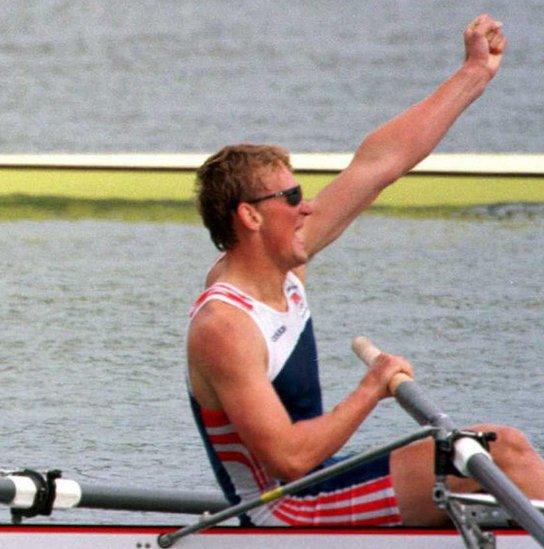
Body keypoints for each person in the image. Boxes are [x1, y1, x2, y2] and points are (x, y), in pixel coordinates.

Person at [187, 14, 544, 526]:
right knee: (501, 453)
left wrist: (474, 75)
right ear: (250, 216)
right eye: (291, 197)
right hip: (285, 511)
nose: (307, 206)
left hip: (322, 479)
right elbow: (287, 459)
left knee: (503, 450)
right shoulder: (223, 325)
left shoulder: (286, 270)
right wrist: (372, 387)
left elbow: (380, 164)